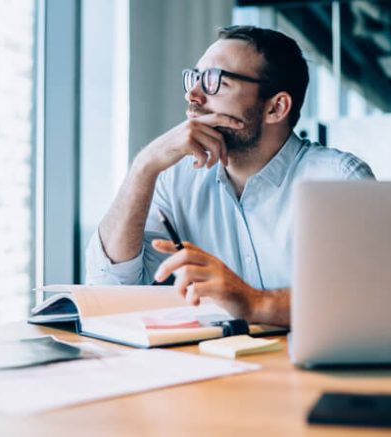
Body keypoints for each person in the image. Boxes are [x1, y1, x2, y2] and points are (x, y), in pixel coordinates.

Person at [86, 25, 374, 326]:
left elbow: (367, 299)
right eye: (194, 78)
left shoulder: (338, 179)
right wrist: (143, 166)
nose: (193, 95)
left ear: (276, 107)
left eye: (214, 81)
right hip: (212, 367)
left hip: (307, 370)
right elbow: (110, 286)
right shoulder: (175, 179)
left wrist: (254, 302)